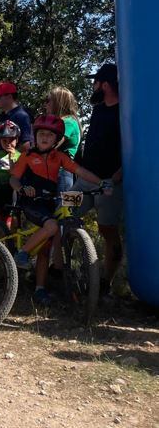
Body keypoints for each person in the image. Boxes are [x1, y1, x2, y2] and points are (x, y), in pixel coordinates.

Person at [9, 114, 109, 306]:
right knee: (53, 226)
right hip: (31, 202)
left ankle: (39, 290)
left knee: (46, 248)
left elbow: (79, 171)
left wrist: (101, 183)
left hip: (49, 202)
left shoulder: (59, 157)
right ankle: (22, 253)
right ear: (35, 136)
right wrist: (21, 188)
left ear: (56, 139)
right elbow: (13, 179)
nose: (45, 138)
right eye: (41, 134)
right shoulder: (27, 156)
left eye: (50, 135)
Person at [72, 63, 123, 297]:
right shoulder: (99, 109)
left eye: (96, 82)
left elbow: (133, 148)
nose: (93, 86)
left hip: (110, 184)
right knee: (61, 214)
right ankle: (57, 272)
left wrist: (116, 177)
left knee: (107, 230)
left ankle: (105, 284)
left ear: (104, 84)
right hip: (84, 180)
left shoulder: (125, 111)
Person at [43, 87, 81, 192]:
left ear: (58, 102)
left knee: (63, 207)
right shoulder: (63, 121)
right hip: (56, 171)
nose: (45, 104)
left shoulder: (68, 122)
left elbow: (52, 144)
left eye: (48, 101)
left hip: (63, 172)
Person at [0, 82, 33, 152]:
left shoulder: (21, 116)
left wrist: (9, 157)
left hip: (11, 161)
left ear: (9, 97)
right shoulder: (3, 116)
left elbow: (26, 145)